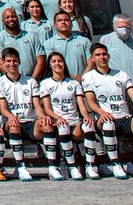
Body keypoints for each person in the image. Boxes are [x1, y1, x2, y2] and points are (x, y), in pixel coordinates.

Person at [82, 42, 133, 179]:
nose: (102, 57)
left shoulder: (121, 75)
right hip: (104, 118)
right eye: (98, 55)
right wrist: (102, 113)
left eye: (104, 54)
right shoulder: (89, 77)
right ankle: (116, 164)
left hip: (124, 117)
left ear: (108, 56)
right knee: (108, 123)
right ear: (92, 58)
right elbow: (90, 101)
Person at [39, 50, 98, 180]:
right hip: (58, 123)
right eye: (54, 61)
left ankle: (90, 166)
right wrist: (58, 117)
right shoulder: (45, 83)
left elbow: (81, 105)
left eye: (60, 61)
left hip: (75, 123)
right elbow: (47, 108)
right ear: (49, 65)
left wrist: (86, 117)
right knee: (63, 126)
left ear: (64, 64)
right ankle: (72, 166)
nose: (57, 64)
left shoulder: (74, 83)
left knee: (89, 126)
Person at [0, 46, 44, 181]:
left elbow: (37, 105)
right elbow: (2, 108)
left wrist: (42, 116)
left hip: (30, 121)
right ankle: (21, 167)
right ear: (2, 62)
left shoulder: (30, 81)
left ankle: (54, 167)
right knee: (14, 125)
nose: (11, 64)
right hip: (12, 123)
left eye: (14, 61)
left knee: (46, 124)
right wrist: (11, 116)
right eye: (8, 61)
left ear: (19, 61)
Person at [99, 13, 133, 102]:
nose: (124, 30)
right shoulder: (105, 40)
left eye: (127, 27)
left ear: (131, 26)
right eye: (120, 27)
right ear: (113, 27)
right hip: (117, 96)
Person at [0, 6, 46, 79]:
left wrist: (32, 81)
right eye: (7, 17)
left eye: (13, 16)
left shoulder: (31, 36)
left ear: (17, 18)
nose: (10, 19)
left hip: (31, 81)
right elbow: (0, 63)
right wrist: (15, 79)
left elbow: (40, 61)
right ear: (3, 21)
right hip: (10, 82)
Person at [44, 11, 92, 79]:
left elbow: (91, 62)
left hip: (84, 81)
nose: (63, 22)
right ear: (55, 25)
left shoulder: (85, 41)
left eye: (66, 20)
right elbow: (53, 65)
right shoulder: (48, 44)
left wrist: (83, 78)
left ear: (71, 24)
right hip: (62, 82)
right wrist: (71, 79)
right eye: (59, 20)